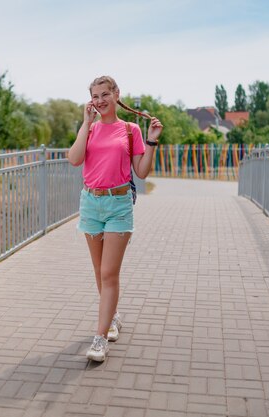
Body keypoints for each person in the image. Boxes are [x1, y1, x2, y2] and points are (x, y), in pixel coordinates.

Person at [67, 76, 163, 362]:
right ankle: (113, 316)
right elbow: (74, 159)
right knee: (99, 271)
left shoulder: (130, 130)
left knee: (109, 273)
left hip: (118, 205)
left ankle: (100, 339)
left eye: (104, 94)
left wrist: (152, 141)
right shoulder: (91, 129)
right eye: (94, 96)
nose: (99, 101)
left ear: (116, 94)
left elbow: (142, 172)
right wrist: (85, 124)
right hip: (90, 204)